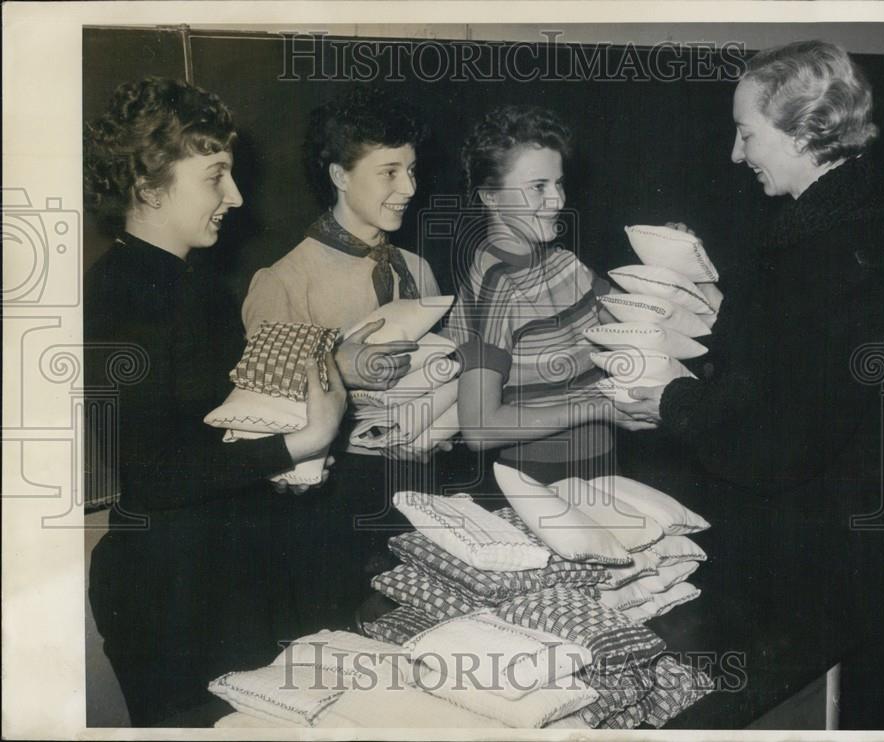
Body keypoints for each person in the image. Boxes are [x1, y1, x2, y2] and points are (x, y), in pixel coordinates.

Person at [614, 41, 884, 727]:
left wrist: (669, 399)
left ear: (806, 128)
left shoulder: (825, 252)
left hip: (822, 551)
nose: (735, 154)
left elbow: (779, 442)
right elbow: (795, 371)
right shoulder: (857, 217)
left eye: (747, 133)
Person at [83, 77, 347, 726]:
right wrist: (300, 442)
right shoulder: (123, 295)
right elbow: (150, 473)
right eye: (215, 176)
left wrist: (283, 467)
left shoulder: (192, 283)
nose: (235, 196)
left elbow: (210, 435)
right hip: (166, 596)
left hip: (220, 573)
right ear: (147, 183)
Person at [240, 87, 448, 618]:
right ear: (338, 175)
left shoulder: (416, 268)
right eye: (389, 172)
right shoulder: (285, 282)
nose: (409, 187)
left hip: (422, 492)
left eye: (412, 170)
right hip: (334, 513)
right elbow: (268, 425)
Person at [448, 105, 655, 488]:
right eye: (537, 187)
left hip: (601, 467)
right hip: (537, 482)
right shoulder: (494, 287)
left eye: (558, 184)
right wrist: (599, 407)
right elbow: (479, 427)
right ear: (490, 197)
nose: (557, 200)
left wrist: (664, 269)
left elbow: (633, 328)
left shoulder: (563, 263)